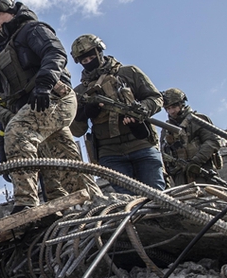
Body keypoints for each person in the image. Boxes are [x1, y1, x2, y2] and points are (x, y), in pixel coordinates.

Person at [0, 0, 101, 213]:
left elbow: (55, 53)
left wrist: (44, 84)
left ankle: (25, 203)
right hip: (36, 107)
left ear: (12, 11)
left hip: (53, 97)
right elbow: (12, 88)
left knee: (17, 131)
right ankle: (95, 205)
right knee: (63, 166)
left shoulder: (32, 29)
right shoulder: (7, 46)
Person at [69, 34, 166, 194]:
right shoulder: (80, 92)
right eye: (84, 61)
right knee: (127, 203)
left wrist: (140, 109)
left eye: (92, 57)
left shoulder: (128, 73)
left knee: (158, 196)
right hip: (110, 153)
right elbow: (76, 130)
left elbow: (156, 98)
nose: (88, 63)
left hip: (141, 144)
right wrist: (85, 112)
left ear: (100, 52)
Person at [159, 88, 223, 186]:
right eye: (168, 108)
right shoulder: (166, 129)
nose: (171, 111)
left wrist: (195, 162)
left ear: (181, 104)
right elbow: (162, 152)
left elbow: (213, 141)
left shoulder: (198, 120)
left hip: (201, 170)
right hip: (179, 176)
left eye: (174, 107)